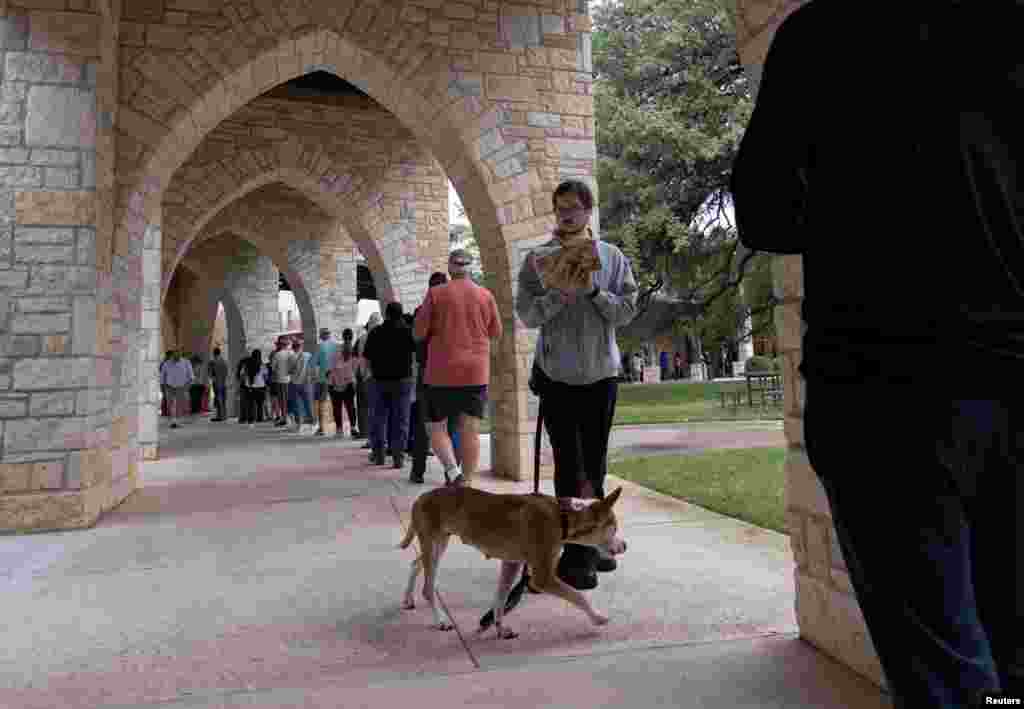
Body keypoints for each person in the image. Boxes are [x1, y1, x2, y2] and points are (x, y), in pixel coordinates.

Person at [730, 5, 1024, 708]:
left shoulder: (822, 33)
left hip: (879, 390)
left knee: (943, 670)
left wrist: (852, 216)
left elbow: (764, 207)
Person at [516, 179, 637, 591]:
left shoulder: (612, 258)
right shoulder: (537, 259)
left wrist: (593, 293)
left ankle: (594, 545)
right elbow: (528, 316)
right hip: (558, 380)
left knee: (596, 466)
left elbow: (625, 313)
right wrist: (557, 299)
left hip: (601, 376)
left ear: (588, 211)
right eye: (560, 208)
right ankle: (576, 556)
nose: (566, 215)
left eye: (573, 208)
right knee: (570, 466)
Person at [415, 249, 502, 486]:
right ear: (470, 268)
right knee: (470, 429)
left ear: (450, 268)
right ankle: (469, 482)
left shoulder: (435, 294)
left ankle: (453, 473)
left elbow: (419, 332)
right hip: (475, 371)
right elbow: (496, 332)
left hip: (441, 373)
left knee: (435, 425)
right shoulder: (486, 295)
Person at [363, 302, 417, 468]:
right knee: (401, 419)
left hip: (379, 381)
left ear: (386, 314)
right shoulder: (408, 333)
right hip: (403, 381)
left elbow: (366, 359)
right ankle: (398, 458)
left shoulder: (375, 332)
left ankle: (379, 455)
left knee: (378, 419)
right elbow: (415, 357)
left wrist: (370, 374)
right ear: (400, 315)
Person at [354, 313, 382, 449]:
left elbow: (361, 360)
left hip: (370, 378)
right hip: (384, 378)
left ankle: (372, 439)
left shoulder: (363, 338)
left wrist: (363, 375)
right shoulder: (385, 335)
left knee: (372, 410)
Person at [328, 341, 358, 438]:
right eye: (345, 350)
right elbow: (331, 372)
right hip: (335, 386)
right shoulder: (336, 358)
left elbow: (355, 373)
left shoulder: (354, 359)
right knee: (337, 408)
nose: (347, 352)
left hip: (348, 385)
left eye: (349, 351)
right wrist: (334, 385)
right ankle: (339, 429)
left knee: (350, 407)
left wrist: (351, 382)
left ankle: (353, 427)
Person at [313, 327, 338, 436]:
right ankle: (339, 427)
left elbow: (315, 362)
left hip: (323, 378)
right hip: (336, 377)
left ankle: (322, 428)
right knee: (336, 403)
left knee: (321, 402)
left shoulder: (320, 346)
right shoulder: (335, 346)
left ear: (322, 335)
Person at [288, 338, 316, 434]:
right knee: (308, 404)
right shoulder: (308, 355)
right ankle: (313, 424)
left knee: (297, 405)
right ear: (301, 346)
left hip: (294, 383)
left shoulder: (291, 357)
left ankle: (299, 425)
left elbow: (289, 371)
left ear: (293, 347)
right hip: (306, 383)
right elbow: (312, 369)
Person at [160, 349, 194, 429]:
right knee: (170, 404)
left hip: (181, 387)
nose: (176, 356)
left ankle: (177, 421)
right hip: (169, 387)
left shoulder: (186, 362)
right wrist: (163, 387)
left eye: (178, 355)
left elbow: (191, 376)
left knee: (180, 405)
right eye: (175, 355)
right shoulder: (167, 363)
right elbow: (162, 376)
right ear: (172, 355)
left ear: (180, 355)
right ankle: (173, 421)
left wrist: (187, 386)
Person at [270, 337, 294, 427]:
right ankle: (292, 418)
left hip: (281, 380)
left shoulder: (277, 355)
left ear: (280, 345)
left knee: (282, 400)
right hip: (292, 380)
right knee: (291, 399)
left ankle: (284, 418)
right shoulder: (292, 353)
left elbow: (273, 368)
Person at [243, 349, 266, 427]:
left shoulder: (246, 364)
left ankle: (251, 420)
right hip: (260, 386)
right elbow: (265, 375)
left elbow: (243, 374)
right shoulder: (262, 364)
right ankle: (260, 418)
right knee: (260, 404)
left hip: (249, 387)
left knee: (250, 404)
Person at [209, 347, 229, 422]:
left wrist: (213, 379)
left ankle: (219, 416)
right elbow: (227, 373)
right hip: (224, 383)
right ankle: (224, 416)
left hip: (217, 383)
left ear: (213, 353)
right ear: (220, 353)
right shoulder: (224, 361)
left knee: (218, 399)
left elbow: (210, 374)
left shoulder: (212, 362)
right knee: (223, 399)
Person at [189, 355, 206, 420]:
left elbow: (194, 375)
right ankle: (196, 410)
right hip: (198, 384)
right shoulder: (201, 366)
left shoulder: (197, 367)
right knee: (197, 398)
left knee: (195, 398)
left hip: (196, 384)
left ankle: (195, 411)